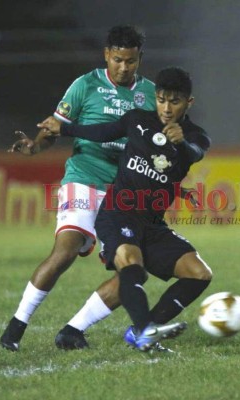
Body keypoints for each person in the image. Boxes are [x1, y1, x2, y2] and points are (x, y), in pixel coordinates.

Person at [0, 25, 156, 352]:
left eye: (130, 61)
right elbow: (53, 127)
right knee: (66, 249)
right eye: (117, 60)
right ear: (106, 56)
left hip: (123, 193)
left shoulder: (152, 95)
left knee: (134, 271)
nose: (124, 68)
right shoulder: (85, 85)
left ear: (140, 58)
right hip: (83, 178)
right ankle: (16, 326)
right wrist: (36, 146)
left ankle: (73, 330)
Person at [39, 67, 213, 351]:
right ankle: (146, 333)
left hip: (153, 224)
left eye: (175, 101)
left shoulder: (196, 136)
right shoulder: (137, 120)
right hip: (118, 212)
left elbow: (193, 154)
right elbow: (103, 131)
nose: (166, 108)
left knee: (199, 273)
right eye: (161, 99)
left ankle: (141, 330)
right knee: (132, 265)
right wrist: (65, 128)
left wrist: (180, 143)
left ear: (188, 103)